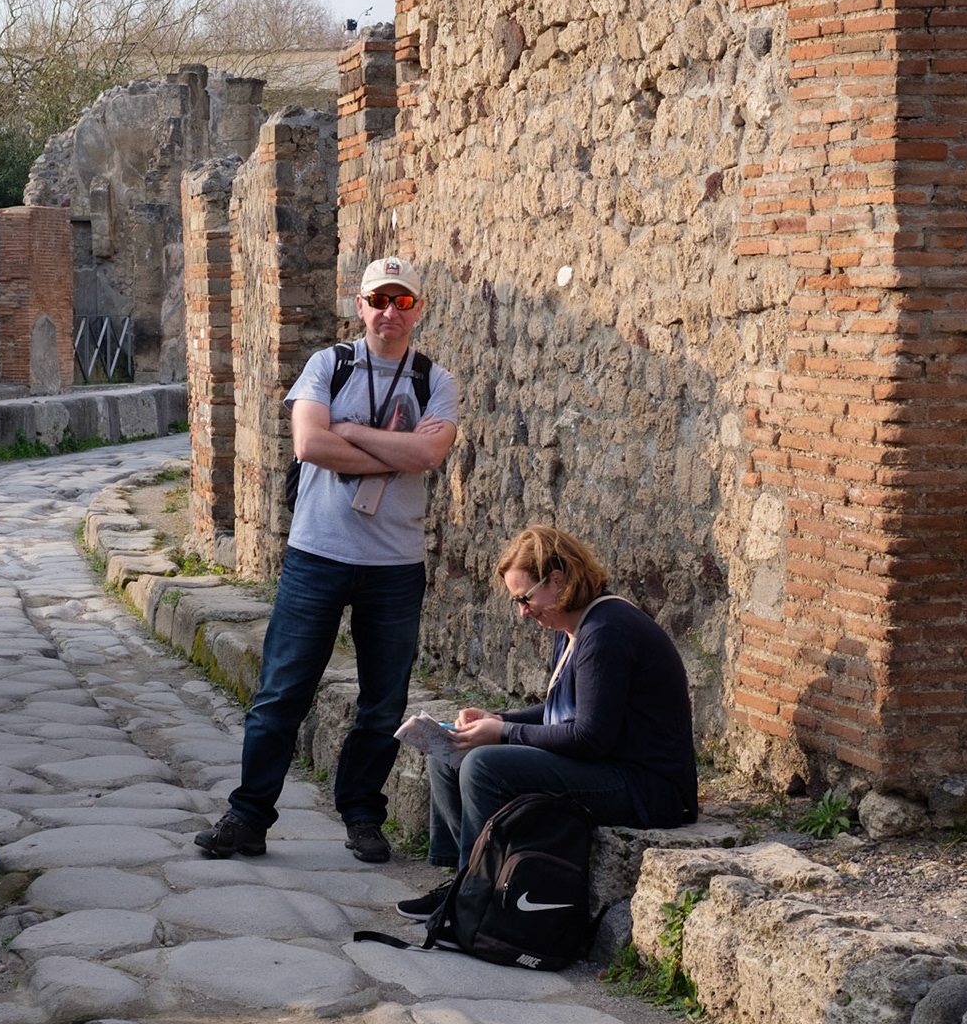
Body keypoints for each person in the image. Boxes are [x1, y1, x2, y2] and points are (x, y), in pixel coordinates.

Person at [196, 255, 460, 863]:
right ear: (360, 304)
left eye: (403, 302)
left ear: (416, 310)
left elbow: (428, 457)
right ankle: (248, 815)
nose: (389, 313)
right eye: (379, 300)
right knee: (281, 692)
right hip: (317, 554)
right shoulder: (328, 365)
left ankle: (363, 815)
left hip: (394, 564)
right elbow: (311, 443)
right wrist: (397, 449)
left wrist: (356, 434)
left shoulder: (434, 381)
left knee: (383, 702)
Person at [397, 524, 699, 917]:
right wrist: (496, 719)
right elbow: (563, 709)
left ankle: (477, 900)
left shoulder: (605, 631)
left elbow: (591, 736)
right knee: (448, 751)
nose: (523, 611)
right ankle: (467, 881)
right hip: (606, 766)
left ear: (557, 580)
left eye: (525, 597)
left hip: (645, 787)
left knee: (482, 765)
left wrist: (503, 733)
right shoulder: (571, 623)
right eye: (517, 601)